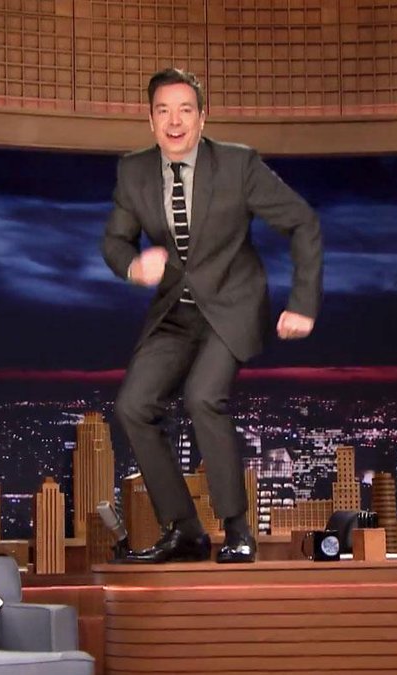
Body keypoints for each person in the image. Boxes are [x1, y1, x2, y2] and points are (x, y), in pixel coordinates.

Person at [101, 68, 322, 564]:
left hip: (231, 305)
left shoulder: (238, 165)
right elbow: (115, 241)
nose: (174, 122)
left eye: (185, 110)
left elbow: (303, 222)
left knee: (203, 397)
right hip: (175, 311)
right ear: (150, 120)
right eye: (163, 111)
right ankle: (185, 530)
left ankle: (238, 530)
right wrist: (134, 266)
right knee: (133, 406)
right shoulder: (134, 172)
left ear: (203, 117)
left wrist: (303, 303)